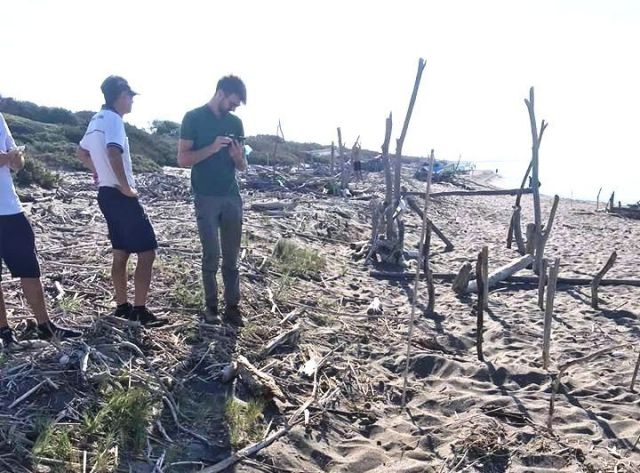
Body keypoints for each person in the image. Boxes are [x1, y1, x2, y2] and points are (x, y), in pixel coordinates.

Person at [76, 76, 164, 326]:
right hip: (118, 193)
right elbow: (113, 152)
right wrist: (126, 187)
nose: (132, 100)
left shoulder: (96, 120)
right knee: (147, 252)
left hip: (105, 193)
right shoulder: (114, 120)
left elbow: (81, 152)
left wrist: (96, 170)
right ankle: (139, 309)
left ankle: (122, 306)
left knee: (120, 251)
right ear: (121, 95)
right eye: (130, 96)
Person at [0, 113, 81, 349]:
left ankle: (45, 325)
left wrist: (16, 160)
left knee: (29, 269)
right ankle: (4, 332)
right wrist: (7, 158)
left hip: (10, 209)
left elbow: (17, 159)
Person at [177, 75, 247, 326]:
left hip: (231, 196)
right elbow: (183, 160)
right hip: (205, 196)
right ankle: (211, 306)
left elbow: (242, 167)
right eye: (233, 102)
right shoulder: (193, 118)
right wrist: (213, 147)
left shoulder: (236, 123)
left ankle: (232, 306)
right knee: (211, 254)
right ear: (220, 93)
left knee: (231, 256)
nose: (234, 107)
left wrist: (238, 157)